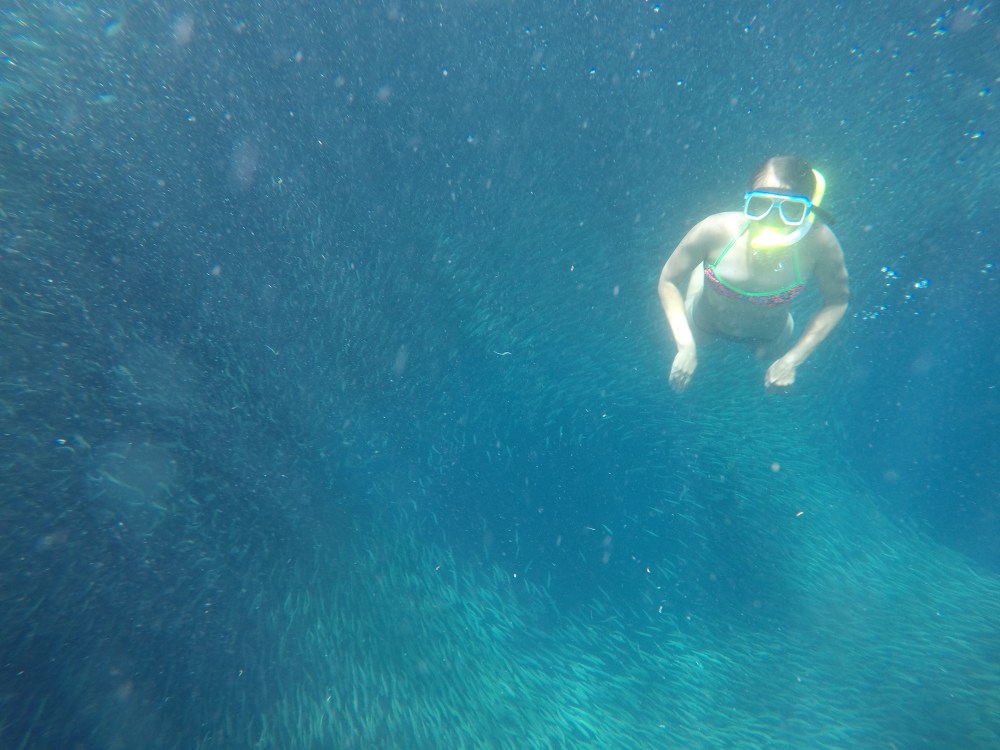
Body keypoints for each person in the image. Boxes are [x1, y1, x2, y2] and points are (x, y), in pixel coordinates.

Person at [657, 155, 850, 393]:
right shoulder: (715, 230)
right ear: (746, 201)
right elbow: (668, 281)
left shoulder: (820, 244)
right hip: (702, 325)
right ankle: (705, 265)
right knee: (698, 341)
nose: (772, 220)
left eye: (791, 210)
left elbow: (837, 302)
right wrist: (685, 346)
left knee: (767, 364)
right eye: (761, 205)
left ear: (807, 211)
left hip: (769, 339)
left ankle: (707, 264)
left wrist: (791, 360)